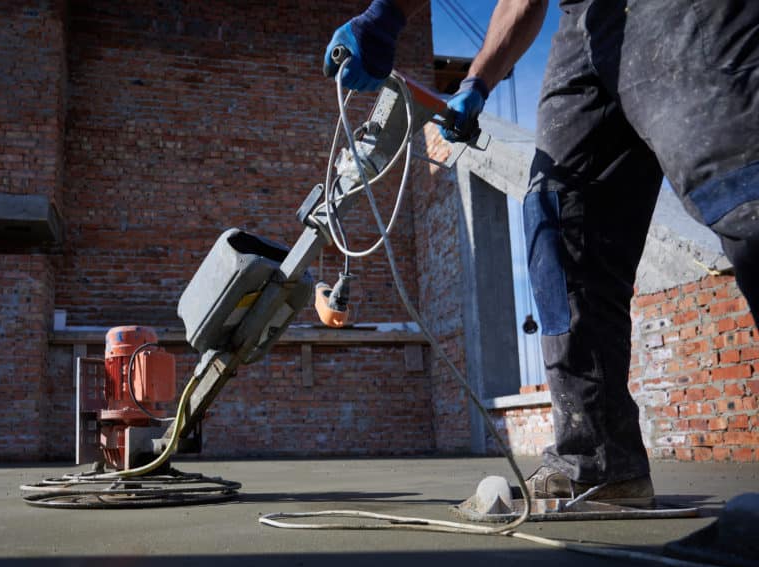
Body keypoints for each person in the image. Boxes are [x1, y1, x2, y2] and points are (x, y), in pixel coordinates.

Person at [325, 0, 759, 505]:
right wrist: (475, 83)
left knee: (740, 185)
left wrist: (386, 14)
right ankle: (599, 463)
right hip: (585, 25)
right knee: (558, 222)